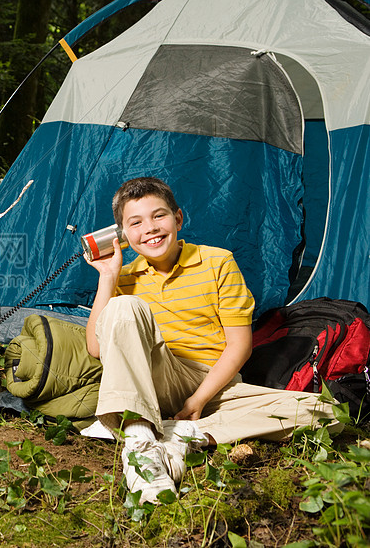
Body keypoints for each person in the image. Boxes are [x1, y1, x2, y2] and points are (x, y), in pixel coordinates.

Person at [84, 177, 340, 504]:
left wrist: (197, 401)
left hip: (215, 383)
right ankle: (139, 442)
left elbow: (239, 346)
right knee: (124, 306)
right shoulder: (124, 277)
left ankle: (183, 434)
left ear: (178, 218)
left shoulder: (217, 261)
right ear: (123, 234)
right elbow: (96, 348)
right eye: (136, 222)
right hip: (160, 376)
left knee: (326, 413)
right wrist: (108, 276)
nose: (149, 228)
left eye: (158, 216)